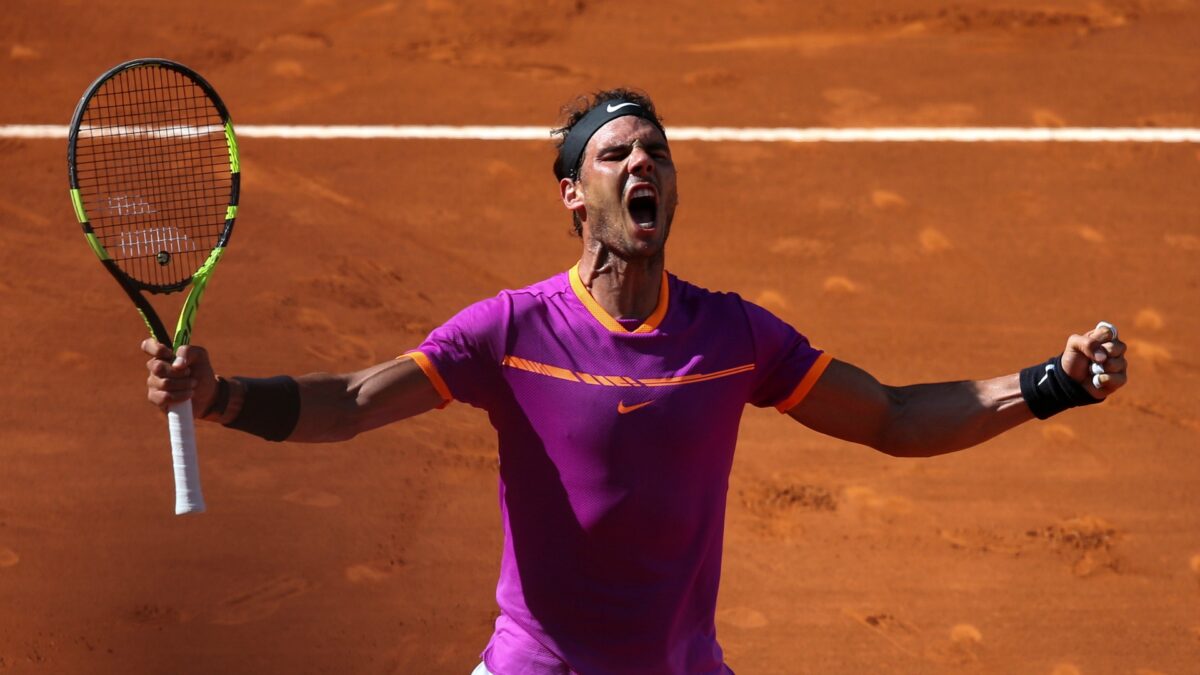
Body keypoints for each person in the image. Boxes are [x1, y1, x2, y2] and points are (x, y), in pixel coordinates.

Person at [143, 88, 1128, 675]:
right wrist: (224, 396)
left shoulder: (733, 335)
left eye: (654, 150)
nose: (641, 161)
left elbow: (893, 417)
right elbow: (352, 402)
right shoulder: (511, 333)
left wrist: (1051, 385)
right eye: (615, 153)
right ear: (575, 194)